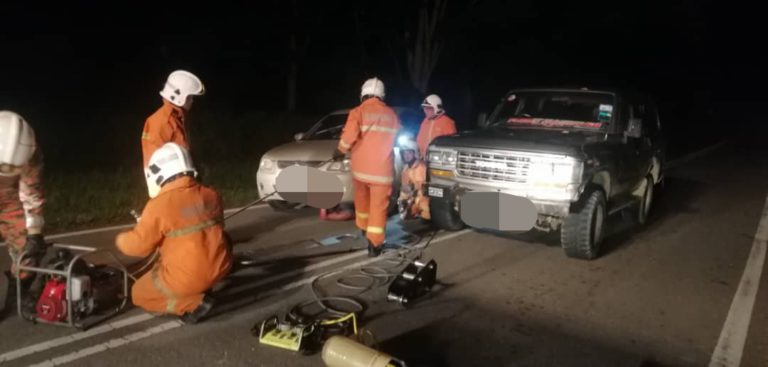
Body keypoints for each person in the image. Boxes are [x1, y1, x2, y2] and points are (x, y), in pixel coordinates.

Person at [115, 143, 231, 324]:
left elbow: (139, 246)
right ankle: (203, 288)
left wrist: (121, 239)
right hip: (220, 266)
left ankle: (193, 303)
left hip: (188, 276)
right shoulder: (211, 194)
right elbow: (197, 221)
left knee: (138, 293)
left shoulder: (159, 205)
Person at [334, 77, 401, 257]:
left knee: (362, 203)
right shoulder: (392, 115)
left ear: (363, 94)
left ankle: (364, 230)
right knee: (378, 208)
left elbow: (348, 137)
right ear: (382, 95)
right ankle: (374, 245)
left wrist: (340, 150)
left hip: (360, 171)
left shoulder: (358, 112)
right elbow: (395, 138)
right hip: (382, 172)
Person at [0, 111, 47, 282]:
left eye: (17, 167)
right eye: (7, 168)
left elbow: (31, 193)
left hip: (8, 198)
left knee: (26, 252)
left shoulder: (30, 152)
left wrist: (34, 233)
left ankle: (20, 290)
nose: (14, 172)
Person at [141, 70, 205, 168]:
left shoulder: (178, 118)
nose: (192, 101)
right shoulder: (161, 122)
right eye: (189, 97)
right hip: (172, 180)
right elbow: (154, 165)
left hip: (183, 176)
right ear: (178, 96)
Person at [396, 136, 429, 220]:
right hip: (414, 197)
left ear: (415, 153)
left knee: (424, 207)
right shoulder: (405, 169)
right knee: (407, 213)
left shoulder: (421, 167)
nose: (406, 155)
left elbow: (422, 188)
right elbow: (405, 188)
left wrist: (414, 201)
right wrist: (402, 200)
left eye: (409, 153)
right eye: (404, 153)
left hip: (424, 198)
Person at [416, 94, 457, 158]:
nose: (425, 111)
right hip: (424, 159)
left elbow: (452, 145)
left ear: (436, 108)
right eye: (424, 108)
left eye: (428, 108)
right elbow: (419, 140)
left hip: (438, 161)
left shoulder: (447, 122)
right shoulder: (425, 121)